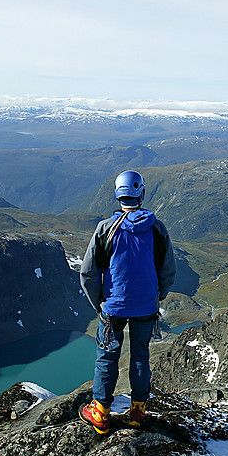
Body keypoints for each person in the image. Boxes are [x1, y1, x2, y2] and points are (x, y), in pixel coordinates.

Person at [79, 169, 176, 433]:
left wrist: (98, 302)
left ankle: (100, 412)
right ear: (141, 193)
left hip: (113, 306)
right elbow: (167, 270)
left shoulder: (105, 229)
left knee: (108, 356)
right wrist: (157, 296)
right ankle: (138, 411)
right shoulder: (156, 228)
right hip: (146, 306)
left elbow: (88, 272)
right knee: (141, 356)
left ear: (117, 194)